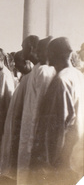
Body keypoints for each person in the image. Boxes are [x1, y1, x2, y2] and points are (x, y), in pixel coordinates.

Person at [30, 37, 84, 184]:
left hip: (63, 158)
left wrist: (49, 161)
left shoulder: (62, 80)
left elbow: (57, 126)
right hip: (77, 154)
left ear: (53, 54)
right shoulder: (79, 76)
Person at [17, 36, 56, 184]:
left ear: (32, 48)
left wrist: (34, 138)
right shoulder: (36, 70)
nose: (22, 52)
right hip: (28, 128)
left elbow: (41, 108)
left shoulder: (44, 71)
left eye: (23, 47)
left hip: (34, 132)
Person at [0, 51, 32, 180]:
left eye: (17, 62)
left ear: (26, 62)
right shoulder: (24, 77)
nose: (16, 66)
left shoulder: (29, 78)